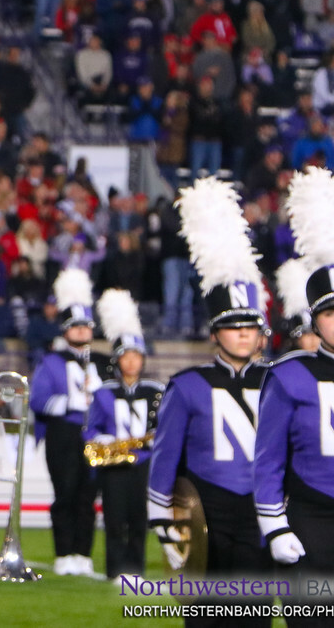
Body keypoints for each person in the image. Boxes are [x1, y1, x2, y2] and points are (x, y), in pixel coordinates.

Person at [254, 169, 334, 625]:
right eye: (332, 314)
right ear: (315, 320)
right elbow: (267, 460)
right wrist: (275, 524)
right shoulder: (288, 374)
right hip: (311, 520)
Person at [147, 179, 271, 627]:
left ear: (261, 332)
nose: (242, 333)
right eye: (232, 325)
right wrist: (163, 523)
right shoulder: (188, 385)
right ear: (215, 332)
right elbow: (164, 463)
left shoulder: (279, 382)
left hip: (263, 515)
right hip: (205, 516)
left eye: (249, 326)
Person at [30, 266, 111, 576]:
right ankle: (64, 554)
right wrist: (72, 403)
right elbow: (38, 400)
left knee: (88, 496)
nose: (80, 331)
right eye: (74, 326)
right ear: (65, 330)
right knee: (64, 493)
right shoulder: (50, 361)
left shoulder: (102, 364)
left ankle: (83, 555)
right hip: (63, 432)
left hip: (94, 436)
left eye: (85, 326)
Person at [85, 289, 162, 581]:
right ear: (118, 360)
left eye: (136, 357)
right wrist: (105, 443)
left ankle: (137, 569)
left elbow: (162, 429)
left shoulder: (155, 391)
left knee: (139, 519)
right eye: (125, 357)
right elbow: (91, 429)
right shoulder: (105, 392)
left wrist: (146, 449)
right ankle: (116, 569)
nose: (131, 362)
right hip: (114, 465)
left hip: (143, 465)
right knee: (115, 519)